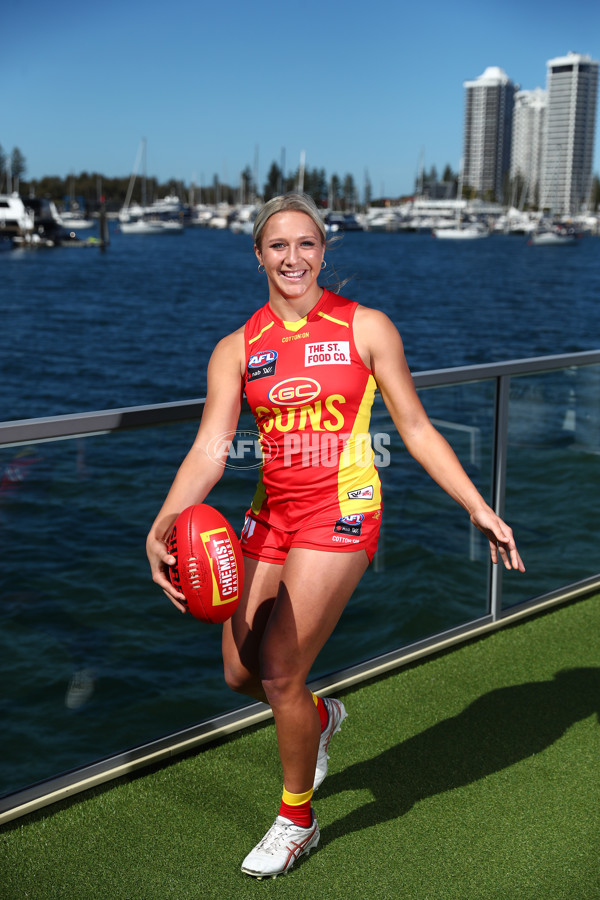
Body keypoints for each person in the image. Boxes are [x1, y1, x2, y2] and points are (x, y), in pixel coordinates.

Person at [146, 192, 525, 879]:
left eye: (307, 243)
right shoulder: (236, 348)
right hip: (272, 510)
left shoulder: (366, 326)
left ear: (325, 250)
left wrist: (477, 505)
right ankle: (318, 720)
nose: (293, 257)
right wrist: (162, 524)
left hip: (342, 507)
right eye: (278, 245)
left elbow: (413, 426)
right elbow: (210, 446)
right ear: (257, 255)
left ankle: (298, 820)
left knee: (280, 669)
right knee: (239, 673)